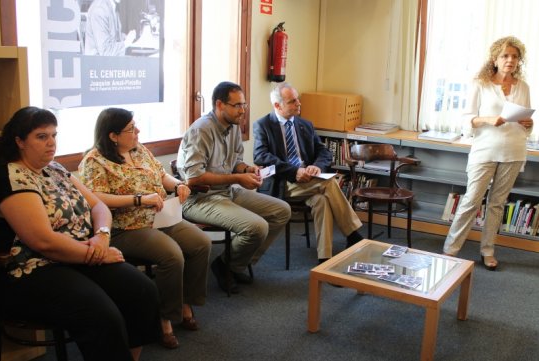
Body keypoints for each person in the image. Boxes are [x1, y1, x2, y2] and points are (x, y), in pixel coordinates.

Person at [0, 106, 160, 361]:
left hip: (85, 252)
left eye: (54, 135)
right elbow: (43, 241)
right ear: (19, 141)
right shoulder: (12, 176)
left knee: (142, 290)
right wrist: (98, 255)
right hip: (37, 267)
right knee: (100, 312)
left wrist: (103, 236)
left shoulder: (56, 169)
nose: (51, 143)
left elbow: (99, 206)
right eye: (41, 137)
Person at [79, 107, 211, 349]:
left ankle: (185, 302)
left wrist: (178, 184)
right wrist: (139, 199)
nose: (137, 131)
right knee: (172, 255)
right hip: (126, 227)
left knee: (201, 243)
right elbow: (95, 197)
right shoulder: (94, 161)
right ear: (113, 136)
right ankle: (163, 317)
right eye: (131, 129)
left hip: (161, 217)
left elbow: (162, 176)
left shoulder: (139, 150)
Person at [177, 81, 291, 294]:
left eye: (244, 105)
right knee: (257, 227)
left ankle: (232, 264)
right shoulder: (201, 130)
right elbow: (194, 178)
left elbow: (235, 161)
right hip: (199, 199)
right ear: (220, 105)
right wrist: (238, 178)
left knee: (281, 210)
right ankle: (226, 266)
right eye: (237, 105)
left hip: (227, 191)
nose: (242, 111)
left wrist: (247, 169)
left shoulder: (233, 126)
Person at [443, 36, 534, 270]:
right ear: (495, 59)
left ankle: (488, 251)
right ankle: (451, 249)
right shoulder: (480, 84)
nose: (510, 60)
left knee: (497, 204)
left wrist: (528, 124)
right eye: (505, 56)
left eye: (514, 56)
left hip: (513, 150)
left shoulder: (523, 87)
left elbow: (528, 122)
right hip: (484, 150)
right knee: (472, 200)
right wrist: (488, 119)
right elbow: (466, 119)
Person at [253, 82, 364, 264]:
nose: (298, 104)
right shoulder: (263, 125)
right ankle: (352, 233)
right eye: (292, 101)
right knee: (329, 183)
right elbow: (261, 156)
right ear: (277, 106)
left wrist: (317, 167)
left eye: (298, 100)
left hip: (310, 181)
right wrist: (294, 171)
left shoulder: (305, 124)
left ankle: (324, 257)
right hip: (283, 182)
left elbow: (324, 152)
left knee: (321, 201)